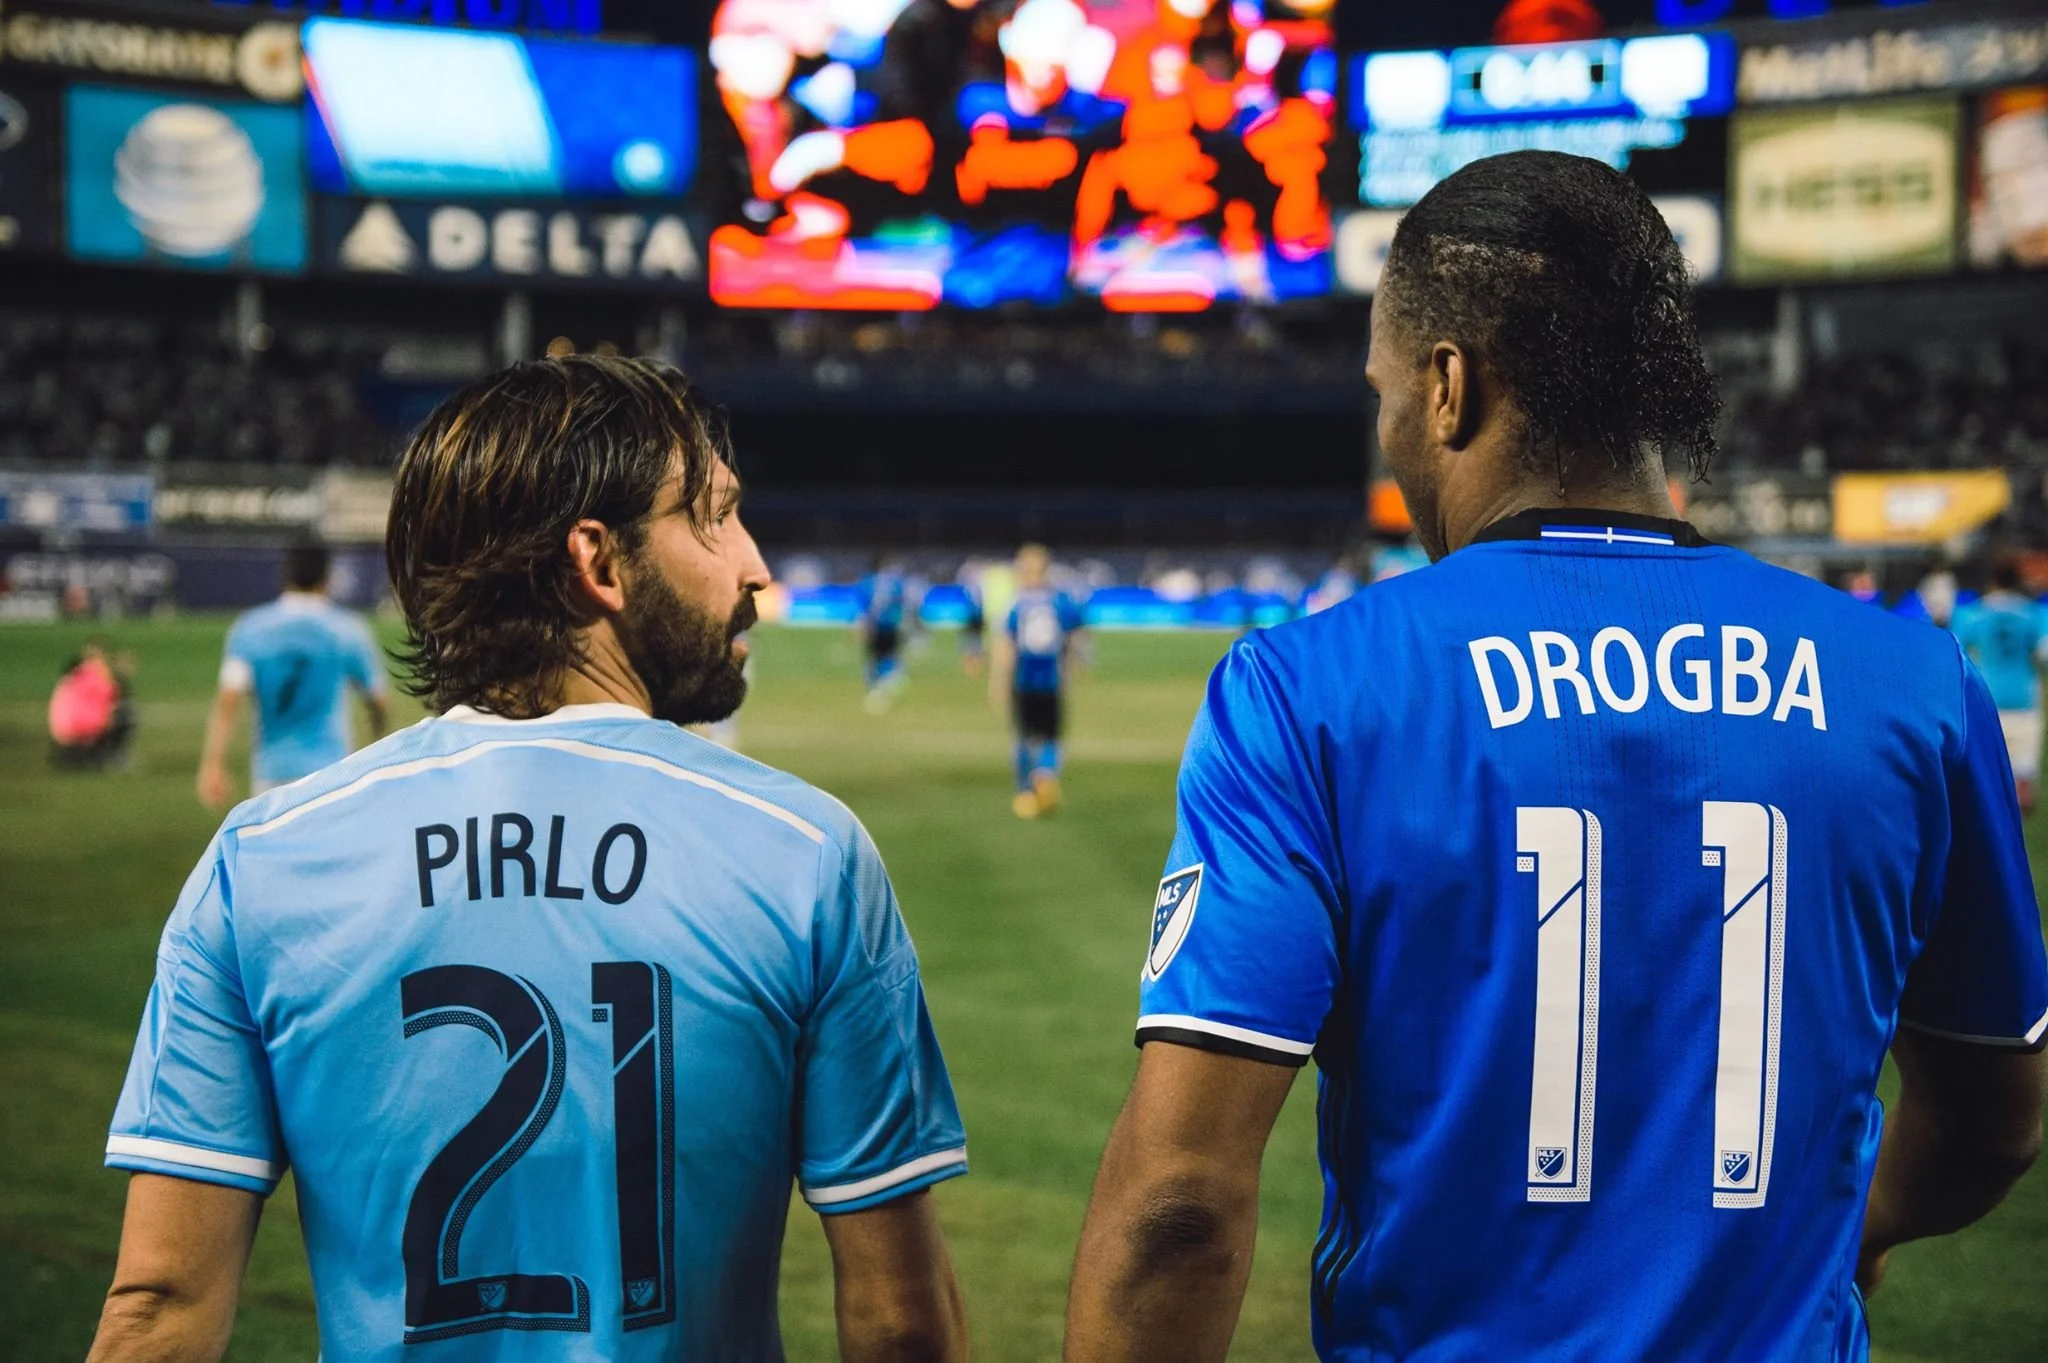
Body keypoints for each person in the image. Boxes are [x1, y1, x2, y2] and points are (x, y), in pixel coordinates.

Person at [1067, 152, 2048, 1361]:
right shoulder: (1913, 687)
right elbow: (1993, 1122)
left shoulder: (1305, 691)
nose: (1384, 428)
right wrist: (1865, 1224)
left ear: (1444, 386)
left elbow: (1178, 1205)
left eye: (1380, 390)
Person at [91, 356, 970, 1363]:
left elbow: (160, 1307)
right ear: (599, 562)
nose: (755, 565)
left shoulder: (260, 862)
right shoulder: (803, 853)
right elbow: (901, 1323)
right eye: (713, 517)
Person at [196, 543, 389, 808]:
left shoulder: (250, 628)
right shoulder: (348, 630)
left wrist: (212, 765)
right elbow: (377, 701)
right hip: (329, 772)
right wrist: (377, 757)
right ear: (327, 578)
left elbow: (228, 702)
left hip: (270, 774)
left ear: (285, 575)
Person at [993, 543, 1083, 818]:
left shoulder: (1016, 603)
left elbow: (1006, 646)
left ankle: (1024, 791)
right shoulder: (1061, 601)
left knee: (1023, 736)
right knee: (1051, 735)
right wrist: (1071, 670)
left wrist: (999, 683)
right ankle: (1045, 778)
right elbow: (1076, 637)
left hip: (1024, 680)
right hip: (1051, 681)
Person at [1953, 561, 2047, 814]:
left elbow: (1956, 652)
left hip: (1987, 698)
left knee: (1986, 775)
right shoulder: (2033, 614)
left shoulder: (1973, 613)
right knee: (2023, 778)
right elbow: (2044, 653)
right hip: (2023, 698)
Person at [48, 637, 135, 770]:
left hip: (61, 733)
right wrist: (122, 675)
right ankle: (115, 757)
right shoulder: (94, 674)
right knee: (125, 713)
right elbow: (114, 696)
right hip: (81, 730)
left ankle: (81, 754)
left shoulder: (72, 674)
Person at [858, 556, 912, 713]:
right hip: (890, 623)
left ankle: (875, 685)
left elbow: (863, 606)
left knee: (875, 656)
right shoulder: (894, 582)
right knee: (890, 654)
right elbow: (901, 602)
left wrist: (862, 624)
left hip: (875, 625)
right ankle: (888, 682)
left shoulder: (868, 582)